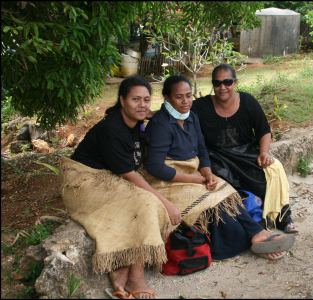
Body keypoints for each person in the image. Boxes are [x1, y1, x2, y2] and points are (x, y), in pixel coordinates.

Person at [143, 75, 295, 261]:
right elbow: (156, 168)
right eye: (179, 97)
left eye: (189, 95)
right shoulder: (161, 124)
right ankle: (255, 236)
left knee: (228, 194)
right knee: (215, 207)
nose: (185, 101)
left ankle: (258, 234)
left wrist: (206, 171)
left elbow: (201, 149)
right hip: (167, 180)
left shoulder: (190, 117)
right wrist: (197, 179)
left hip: (191, 172)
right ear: (167, 98)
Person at [62, 76, 180, 299]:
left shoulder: (135, 124)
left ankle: (123, 268)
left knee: (146, 201)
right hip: (84, 183)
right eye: (136, 99)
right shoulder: (112, 129)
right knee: (146, 201)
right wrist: (167, 204)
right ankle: (135, 275)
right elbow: (130, 175)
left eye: (146, 100)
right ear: (122, 100)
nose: (142, 105)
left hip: (108, 179)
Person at [191, 63, 299, 234]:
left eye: (227, 82)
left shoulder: (247, 101)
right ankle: (256, 222)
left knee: (272, 170)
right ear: (212, 85)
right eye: (217, 83)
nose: (222, 87)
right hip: (217, 157)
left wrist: (264, 152)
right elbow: (178, 107)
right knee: (225, 186)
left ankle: (283, 217)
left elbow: (264, 130)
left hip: (246, 152)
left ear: (235, 82)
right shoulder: (201, 106)